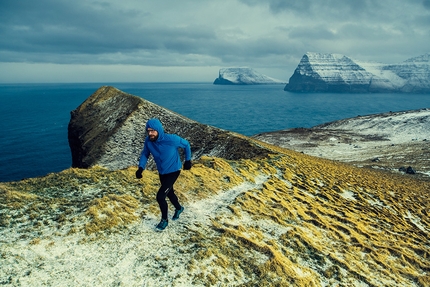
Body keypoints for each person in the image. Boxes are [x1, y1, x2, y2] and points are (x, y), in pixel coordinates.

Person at [135, 118, 192, 231]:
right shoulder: (148, 141)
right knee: (169, 193)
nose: (150, 133)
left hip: (174, 170)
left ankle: (164, 220)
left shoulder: (171, 139)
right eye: (148, 131)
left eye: (153, 131)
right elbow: (145, 154)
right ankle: (179, 208)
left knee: (160, 196)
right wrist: (141, 168)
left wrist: (188, 160)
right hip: (162, 172)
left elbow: (186, 145)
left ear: (159, 130)